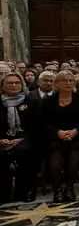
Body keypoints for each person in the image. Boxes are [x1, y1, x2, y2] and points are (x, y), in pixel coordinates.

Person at [43, 71, 79, 201]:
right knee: (55, 149)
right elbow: (45, 122)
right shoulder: (48, 101)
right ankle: (57, 189)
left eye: (71, 80)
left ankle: (69, 187)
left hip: (77, 135)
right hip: (55, 135)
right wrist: (58, 132)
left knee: (75, 149)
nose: (68, 83)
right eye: (64, 81)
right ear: (57, 83)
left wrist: (75, 131)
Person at [0, 72, 41, 203]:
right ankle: (4, 193)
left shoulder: (32, 102)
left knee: (24, 151)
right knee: (1, 154)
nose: (14, 85)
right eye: (10, 83)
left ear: (22, 85)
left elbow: (38, 126)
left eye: (17, 83)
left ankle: (26, 190)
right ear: (2, 86)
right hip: (3, 138)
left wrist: (21, 139)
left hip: (27, 137)